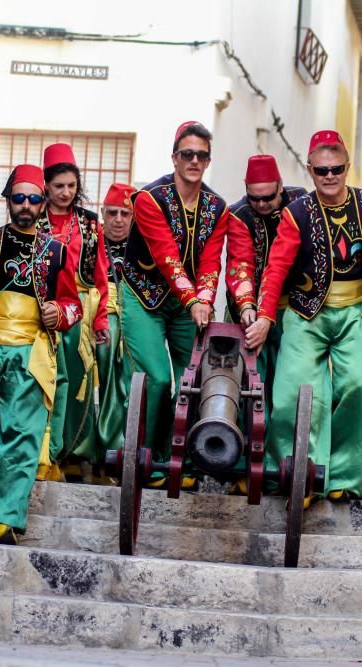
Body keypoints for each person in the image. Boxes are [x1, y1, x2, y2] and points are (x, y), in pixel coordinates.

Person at [246, 130, 362, 502]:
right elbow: (276, 268)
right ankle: (289, 471)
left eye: (336, 169)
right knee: (290, 392)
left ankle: (346, 478)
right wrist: (267, 316)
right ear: (310, 170)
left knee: (355, 386)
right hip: (306, 312)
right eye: (321, 171)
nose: (329, 176)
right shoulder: (296, 213)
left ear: (347, 168)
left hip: (358, 310)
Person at [0, 164, 81, 545]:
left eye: (34, 199)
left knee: (21, 436)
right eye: (19, 198)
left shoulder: (57, 250)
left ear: (43, 204)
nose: (26, 205)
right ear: (7, 199)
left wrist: (60, 314)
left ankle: (4, 520)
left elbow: (73, 305)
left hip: (31, 353)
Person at [123, 120, 255, 486]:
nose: (194, 160)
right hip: (144, 295)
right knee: (156, 377)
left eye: (201, 155)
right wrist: (193, 299)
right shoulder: (150, 199)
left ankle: (181, 459)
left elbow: (212, 260)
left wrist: (205, 300)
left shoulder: (218, 207)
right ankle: (145, 458)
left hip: (189, 303)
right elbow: (166, 254)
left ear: (208, 161)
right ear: (175, 157)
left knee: (194, 378)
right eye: (187, 154)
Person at [40, 143, 111, 475]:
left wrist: (99, 321)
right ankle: (43, 450)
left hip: (79, 310)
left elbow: (99, 275)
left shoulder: (89, 223)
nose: (66, 192)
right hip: (39, 309)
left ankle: (73, 454)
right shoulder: (33, 219)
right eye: (59, 186)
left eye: (71, 186)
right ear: (46, 186)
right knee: (46, 380)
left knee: (79, 381)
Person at [226, 154, 308, 409]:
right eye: (254, 198)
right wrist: (248, 309)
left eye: (268, 198)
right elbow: (240, 265)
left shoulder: (302, 202)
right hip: (246, 307)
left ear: (280, 186)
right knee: (245, 380)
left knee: (286, 380)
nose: (261, 204)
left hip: (294, 306)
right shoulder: (238, 214)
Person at [95, 183, 137, 456]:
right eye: (112, 213)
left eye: (125, 213)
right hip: (100, 313)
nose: (118, 220)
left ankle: (128, 446)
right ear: (102, 213)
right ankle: (103, 446)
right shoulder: (92, 239)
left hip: (135, 315)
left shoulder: (143, 243)